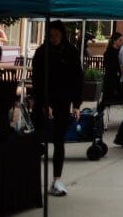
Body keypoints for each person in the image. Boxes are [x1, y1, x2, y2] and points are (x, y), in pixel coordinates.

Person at [32, 20, 83, 198]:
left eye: (56, 35)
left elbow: (78, 79)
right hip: (43, 102)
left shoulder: (70, 52)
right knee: (38, 142)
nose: (53, 38)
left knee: (59, 141)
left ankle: (57, 179)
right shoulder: (41, 53)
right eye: (51, 35)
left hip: (62, 102)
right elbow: (37, 81)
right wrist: (44, 103)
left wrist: (76, 104)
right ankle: (32, 180)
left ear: (62, 34)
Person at [98, 32, 123, 113]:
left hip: (117, 81)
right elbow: (109, 67)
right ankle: (98, 117)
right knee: (105, 101)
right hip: (110, 82)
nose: (121, 42)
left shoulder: (120, 51)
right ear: (114, 41)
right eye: (120, 40)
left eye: (122, 40)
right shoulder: (109, 52)